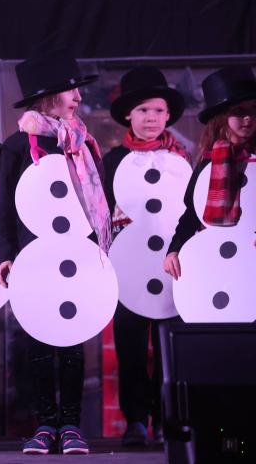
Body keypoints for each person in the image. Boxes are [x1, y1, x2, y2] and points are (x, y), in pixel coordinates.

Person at [0, 48, 109, 455]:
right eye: (70, 90)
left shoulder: (84, 145)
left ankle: (71, 425)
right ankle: (44, 424)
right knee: (39, 341)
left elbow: (98, 203)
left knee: (72, 340)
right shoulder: (16, 146)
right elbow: (5, 209)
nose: (78, 97)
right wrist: (6, 255)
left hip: (76, 258)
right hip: (33, 258)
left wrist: (101, 245)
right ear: (47, 97)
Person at [103, 67, 189, 446]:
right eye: (142, 110)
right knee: (131, 345)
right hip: (128, 264)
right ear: (128, 115)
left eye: (157, 110)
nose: (150, 118)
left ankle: (167, 417)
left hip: (173, 263)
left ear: (168, 115)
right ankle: (136, 420)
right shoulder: (113, 161)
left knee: (169, 345)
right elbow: (100, 212)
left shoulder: (182, 160)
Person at [164, 65, 256, 279]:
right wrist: (174, 250)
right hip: (220, 257)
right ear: (221, 117)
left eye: (253, 109)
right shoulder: (208, 162)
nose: (248, 118)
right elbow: (192, 212)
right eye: (239, 111)